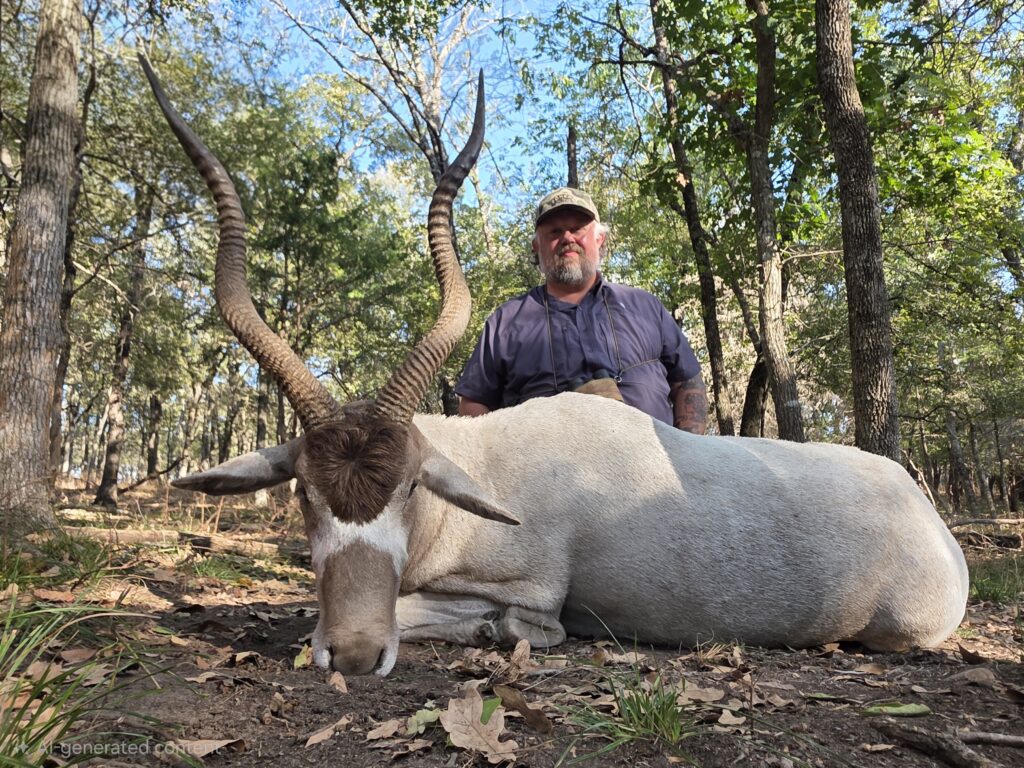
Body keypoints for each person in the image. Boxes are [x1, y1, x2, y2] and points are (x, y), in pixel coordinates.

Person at [456, 187, 708, 433]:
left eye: (577, 228)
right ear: (537, 246)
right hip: (546, 473)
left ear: (600, 239)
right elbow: (474, 403)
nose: (567, 238)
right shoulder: (506, 323)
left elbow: (688, 381)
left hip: (654, 470)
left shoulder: (644, 306)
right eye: (554, 232)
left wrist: (687, 453)